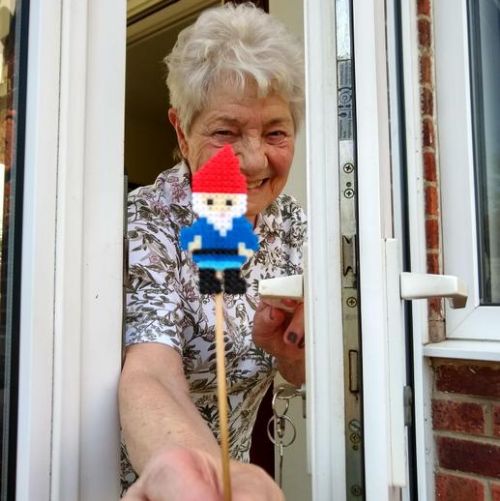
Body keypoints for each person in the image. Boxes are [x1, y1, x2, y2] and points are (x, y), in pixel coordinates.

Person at [119, 3, 306, 499]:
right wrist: (202, 475)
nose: (254, 161)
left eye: (276, 132)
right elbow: (150, 370)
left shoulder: (294, 228)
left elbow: (302, 372)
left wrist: (293, 352)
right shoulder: (144, 223)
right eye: (225, 132)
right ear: (182, 132)